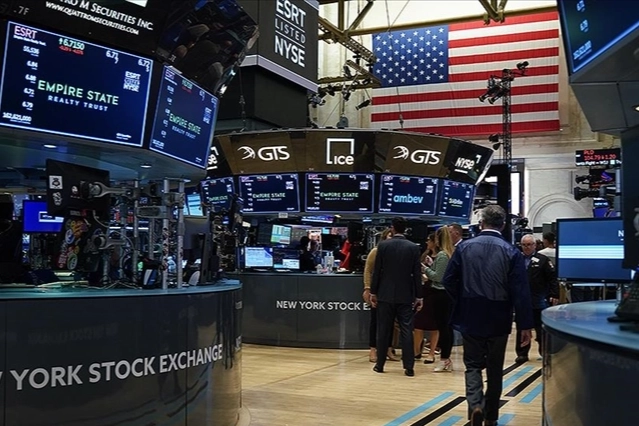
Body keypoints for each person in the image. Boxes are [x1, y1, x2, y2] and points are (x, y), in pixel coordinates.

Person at [443, 205, 533, 426]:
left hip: (471, 313)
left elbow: (448, 280)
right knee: (495, 369)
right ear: (503, 225)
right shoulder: (511, 252)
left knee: (472, 364)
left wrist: (462, 299)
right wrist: (525, 325)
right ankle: (491, 417)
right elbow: (521, 292)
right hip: (499, 315)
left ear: (481, 223)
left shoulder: (464, 248)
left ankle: (475, 404)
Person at [370, 217, 423, 377]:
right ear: (405, 229)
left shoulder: (383, 246)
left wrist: (373, 292)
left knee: (383, 330)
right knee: (407, 330)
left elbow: (377, 271)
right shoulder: (413, 247)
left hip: (385, 294)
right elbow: (417, 274)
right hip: (405, 295)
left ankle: (380, 364)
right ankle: (409, 366)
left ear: (392, 228)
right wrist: (419, 296)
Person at [516, 234, 559, 363]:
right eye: (524, 245)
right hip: (522, 300)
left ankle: (544, 352)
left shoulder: (543, 260)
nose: (527, 247)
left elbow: (552, 278)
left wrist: (554, 294)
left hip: (539, 298)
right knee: (522, 327)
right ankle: (522, 353)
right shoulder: (516, 259)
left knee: (541, 329)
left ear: (535, 245)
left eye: (529, 244)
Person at [422, 227, 455, 372]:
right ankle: (446, 358)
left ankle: (444, 359)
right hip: (446, 295)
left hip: (440, 294)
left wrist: (424, 268)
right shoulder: (449, 253)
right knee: (446, 328)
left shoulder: (442, 255)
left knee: (444, 328)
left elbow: (437, 277)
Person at [363, 229, 398, 363]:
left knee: (390, 322)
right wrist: (367, 287)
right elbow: (368, 270)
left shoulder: (397, 252)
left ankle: (388, 348)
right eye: (390, 236)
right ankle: (373, 349)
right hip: (377, 290)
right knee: (375, 321)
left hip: (392, 291)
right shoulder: (376, 251)